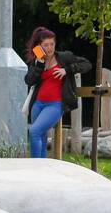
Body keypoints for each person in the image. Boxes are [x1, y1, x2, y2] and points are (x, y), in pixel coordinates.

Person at [24, 26, 91, 158]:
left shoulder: (64, 57)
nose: (49, 48)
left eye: (52, 44)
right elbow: (29, 81)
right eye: (46, 45)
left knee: (34, 131)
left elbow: (87, 64)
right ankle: (41, 171)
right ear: (39, 46)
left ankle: (34, 167)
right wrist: (39, 65)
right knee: (40, 137)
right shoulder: (37, 62)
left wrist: (67, 70)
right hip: (37, 104)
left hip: (55, 105)